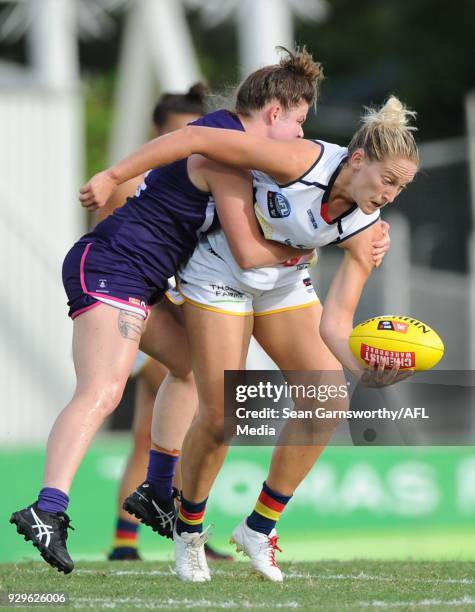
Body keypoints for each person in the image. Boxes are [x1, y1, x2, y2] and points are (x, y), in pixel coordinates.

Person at [9, 47, 336, 575]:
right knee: (102, 390)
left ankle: (158, 488)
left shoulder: (233, 143)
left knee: (187, 368)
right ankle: (49, 508)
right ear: (274, 113)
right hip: (114, 267)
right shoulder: (228, 151)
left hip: (139, 275)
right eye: (298, 122)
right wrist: (314, 244)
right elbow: (249, 252)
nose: (300, 135)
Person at [79, 93, 417, 582]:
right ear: (358, 159)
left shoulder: (368, 225)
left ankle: (258, 528)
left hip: (280, 282)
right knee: (220, 415)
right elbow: (196, 137)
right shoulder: (300, 160)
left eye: (401, 187)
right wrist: (112, 175)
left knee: (327, 401)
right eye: (388, 180)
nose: (390, 195)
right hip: (220, 272)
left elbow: (335, 326)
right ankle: (189, 533)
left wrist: (366, 370)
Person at [95, 85, 232, 563]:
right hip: (148, 306)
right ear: (159, 133)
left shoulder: (204, 173)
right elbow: (128, 250)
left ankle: (134, 538)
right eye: (179, 132)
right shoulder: (134, 183)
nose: (189, 140)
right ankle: (159, 531)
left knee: (179, 424)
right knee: (175, 421)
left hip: (179, 307)